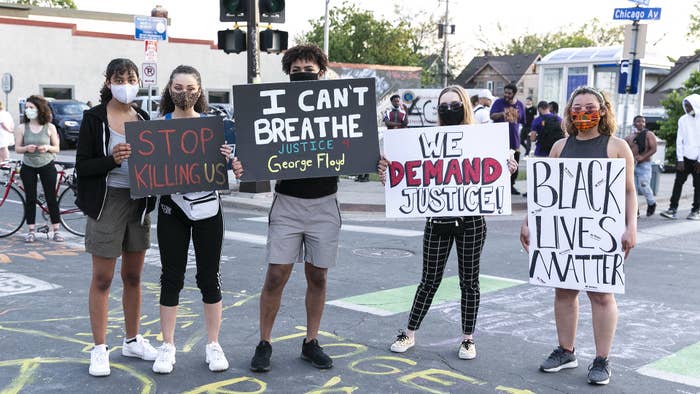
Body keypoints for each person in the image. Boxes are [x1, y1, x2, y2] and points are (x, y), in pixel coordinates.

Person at [379, 85, 518, 360]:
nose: (449, 108)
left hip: (472, 222)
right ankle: (409, 332)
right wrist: (387, 171)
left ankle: (468, 338)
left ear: (464, 105)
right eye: (444, 105)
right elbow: (406, 172)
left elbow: (494, 170)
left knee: (469, 281)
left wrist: (508, 169)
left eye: (454, 104)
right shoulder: (427, 139)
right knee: (429, 280)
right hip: (438, 219)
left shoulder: (483, 137)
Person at [520, 86, 637, 385]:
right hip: (565, 235)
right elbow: (545, 195)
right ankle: (566, 350)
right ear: (570, 112)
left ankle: (602, 359)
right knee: (564, 291)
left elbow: (628, 192)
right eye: (578, 107)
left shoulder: (617, 147)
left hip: (602, 234)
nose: (584, 112)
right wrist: (528, 222)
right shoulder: (560, 147)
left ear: (603, 109)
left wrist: (631, 227)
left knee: (600, 294)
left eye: (590, 107)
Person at [242, 44, 339, 373]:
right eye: (296, 71)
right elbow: (256, 148)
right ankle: (264, 342)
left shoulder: (337, 109)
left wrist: (377, 162)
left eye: (308, 70)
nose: (302, 75)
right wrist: (245, 165)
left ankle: (311, 342)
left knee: (318, 277)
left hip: (325, 203)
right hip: (287, 203)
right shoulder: (275, 109)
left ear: (321, 73)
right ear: (287, 74)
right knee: (275, 275)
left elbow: (359, 145)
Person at [75, 58, 158, 377]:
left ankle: (133, 339)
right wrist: (111, 160)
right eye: (119, 77)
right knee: (103, 278)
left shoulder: (144, 117)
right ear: (108, 81)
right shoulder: (94, 118)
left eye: (131, 77)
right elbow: (82, 166)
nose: (126, 83)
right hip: (107, 202)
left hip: (138, 202)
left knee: (134, 277)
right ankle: (99, 348)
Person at [151, 65, 232, 374]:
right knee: (171, 277)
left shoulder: (212, 127)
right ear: (169, 89)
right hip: (172, 207)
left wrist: (226, 158)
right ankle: (167, 345)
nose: (184, 92)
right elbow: (148, 172)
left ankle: (213, 344)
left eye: (190, 87)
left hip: (208, 207)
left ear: (200, 92)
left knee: (209, 277)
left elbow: (233, 169)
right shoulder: (156, 128)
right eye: (178, 86)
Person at [13, 95, 62, 242]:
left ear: (39, 109)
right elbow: (17, 149)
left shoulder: (50, 127)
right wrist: (27, 148)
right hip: (28, 166)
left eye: (31, 107)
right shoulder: (22, 127)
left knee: (51, 197)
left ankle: (56, 230)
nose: (28, 110)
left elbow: (57, 148)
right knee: (30, 198)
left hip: (47, 164)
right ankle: (31, 230)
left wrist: (47, 147)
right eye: (26, 108)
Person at [660, 94, 700, 220]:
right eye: (686, 105)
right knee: (678, 183)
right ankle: (672, 209)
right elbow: (679, 140)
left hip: (699, 159)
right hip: (685, 158)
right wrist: (680, 159)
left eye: (689, 106)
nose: (687, 108)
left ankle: (696, 210)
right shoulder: (683, 119)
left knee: (698, 185)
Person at [490, 83, 525, 195]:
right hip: (499, 138)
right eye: (505, 92)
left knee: (514, 163)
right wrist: (503, 113)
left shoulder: (519, 105)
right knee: (499, 162)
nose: (506, 95)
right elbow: (492, 116)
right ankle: (499, 185)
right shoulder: (498, 102)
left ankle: (511, 185)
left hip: (514, 139)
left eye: (509, 93)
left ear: (514, 93)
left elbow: (522, 121)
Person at [625, 115, 658, 217]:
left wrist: (642, 157)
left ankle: (652, 203)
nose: (641, 123)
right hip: (632, 165)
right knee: (632, 188)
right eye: (638, 121)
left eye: (643, 122)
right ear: (634, 123)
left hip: (644, 164)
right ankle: (635, 211)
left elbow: (653, 149)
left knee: (644, 185)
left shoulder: (649, 134)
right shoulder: (629, 137)